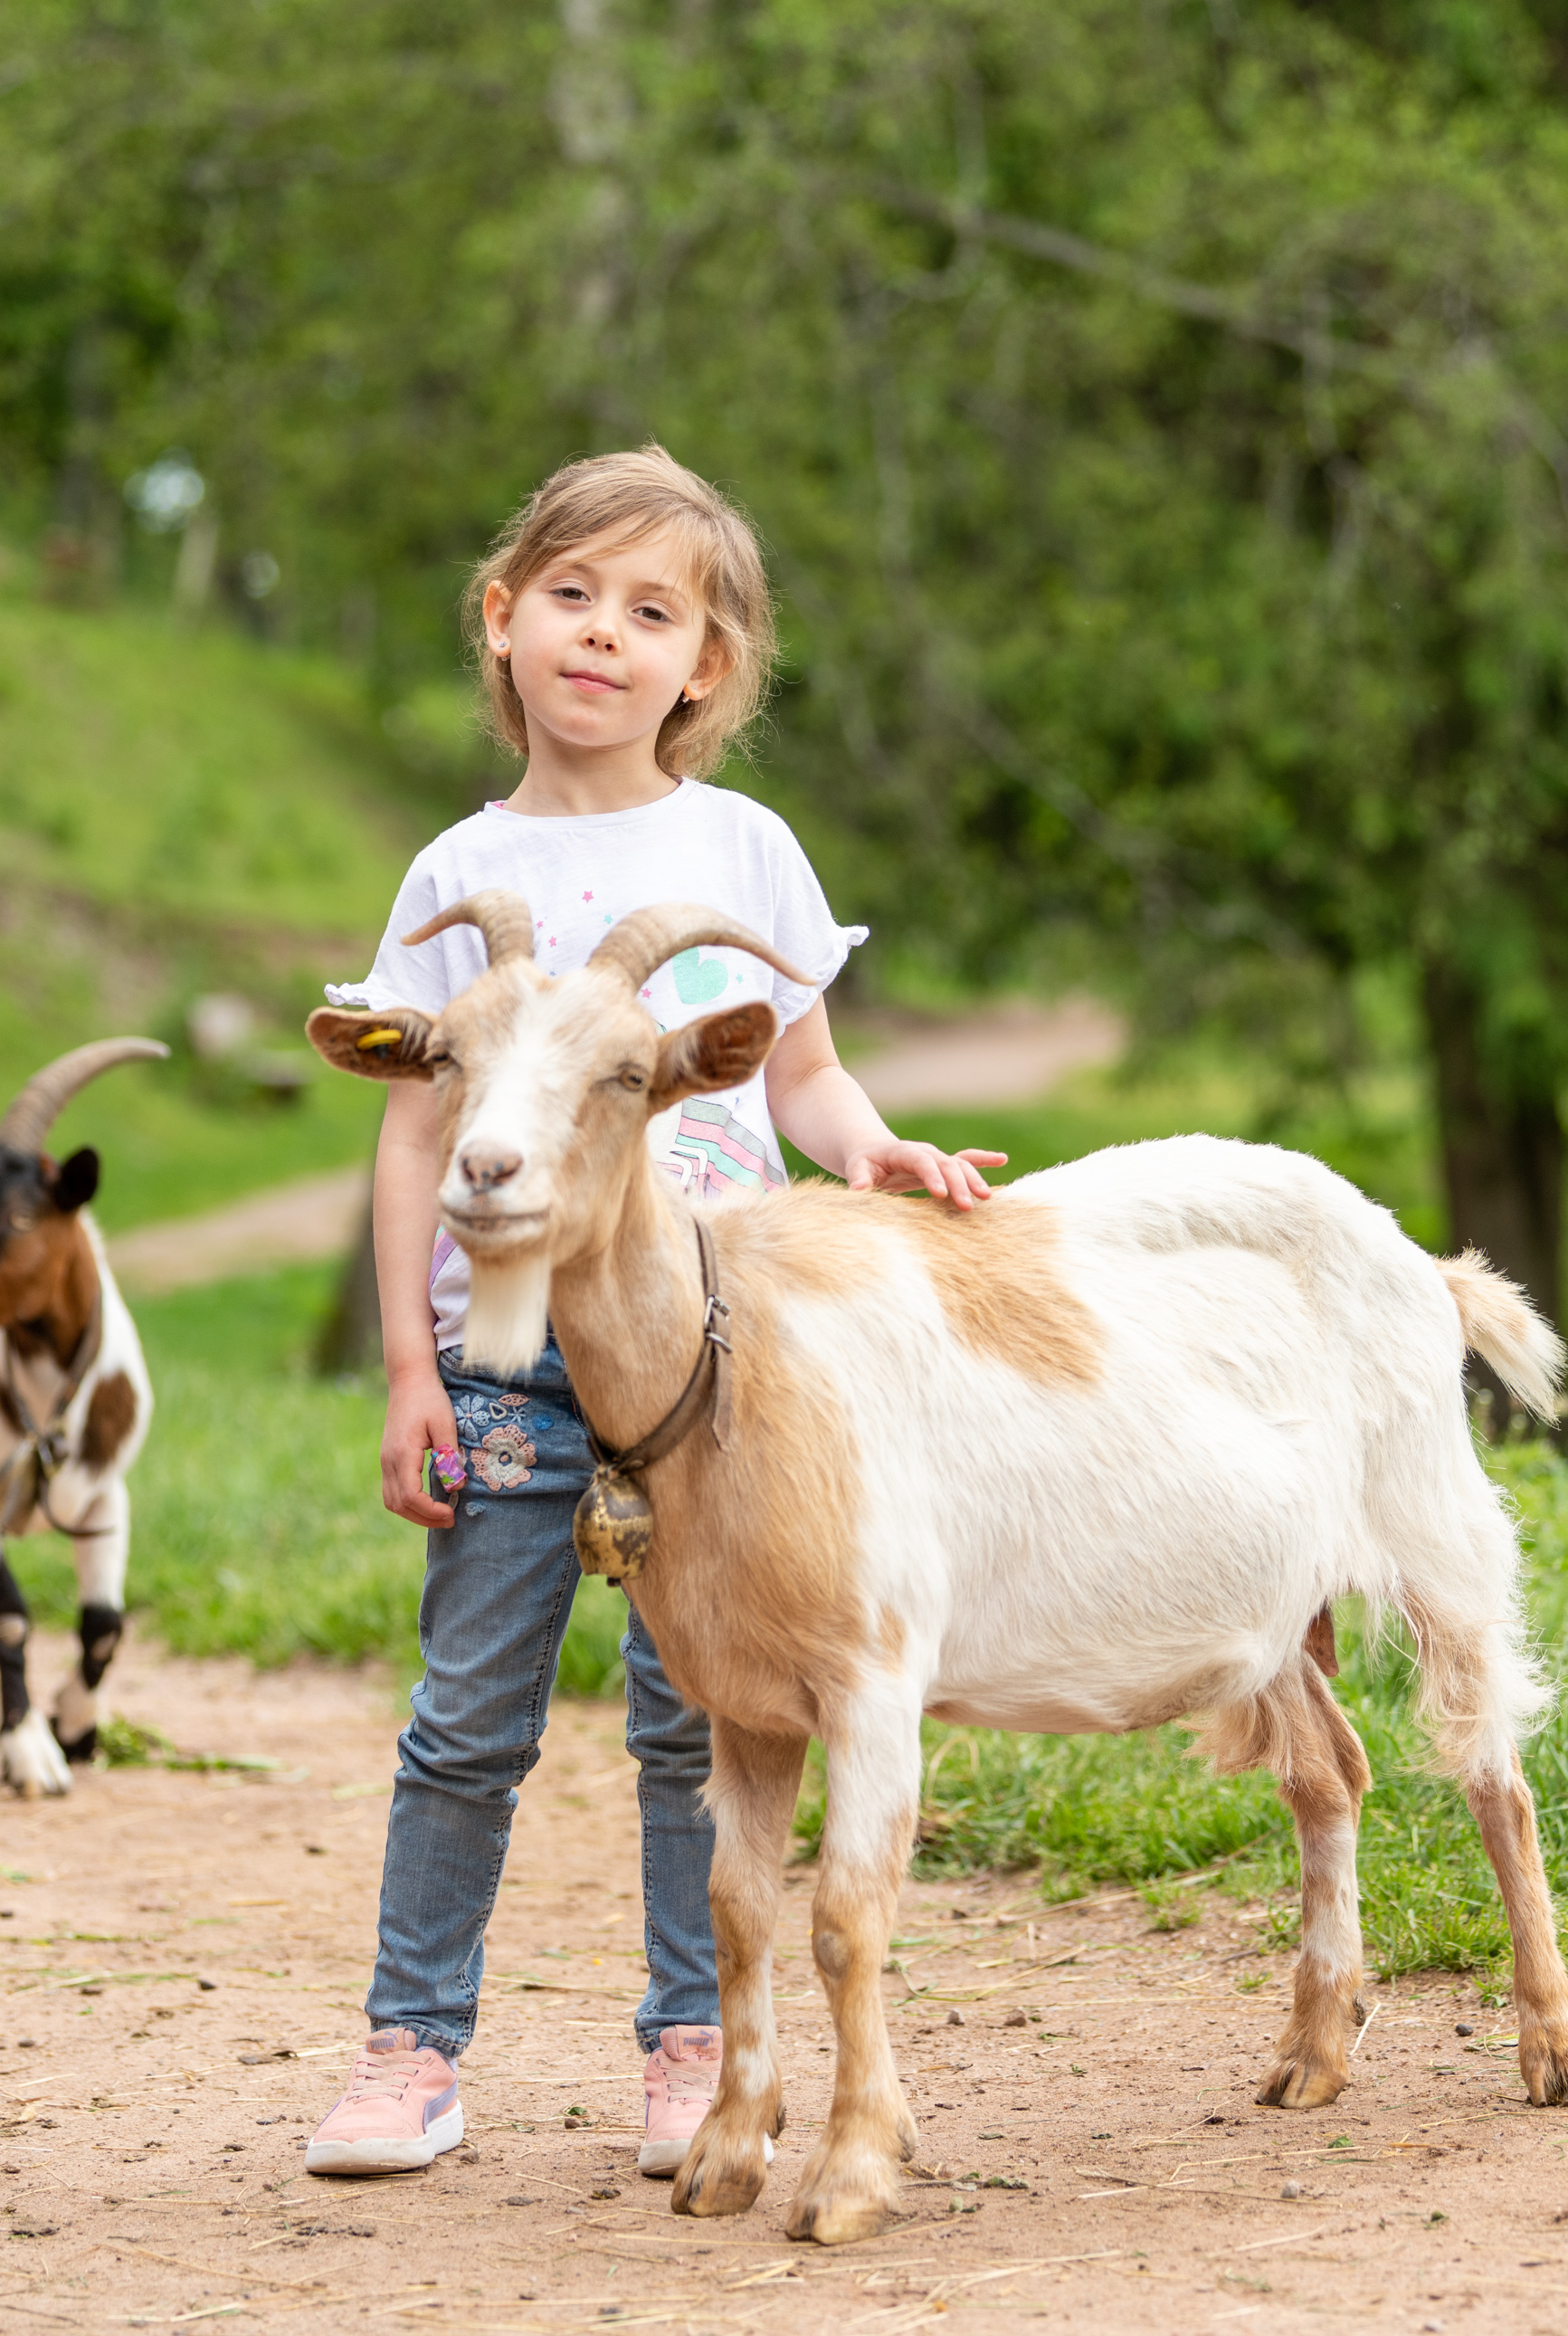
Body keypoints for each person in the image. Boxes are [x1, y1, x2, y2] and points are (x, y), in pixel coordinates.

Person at [302, 446, 1002, 2179]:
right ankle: (412, 2053)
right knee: (469, 1718)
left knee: (718, 1717)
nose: (602, 635)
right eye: (570, 596)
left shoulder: (740, 847)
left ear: (709, 665)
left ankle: (704, 2045)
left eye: (652, 611)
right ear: (502, 619)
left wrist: (880, 1154)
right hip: (521, 1367)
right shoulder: (455, 869)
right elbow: (411, 1126)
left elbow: (811, 1077)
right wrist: (415, 1364)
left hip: (720, 1374)